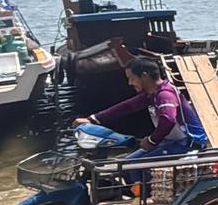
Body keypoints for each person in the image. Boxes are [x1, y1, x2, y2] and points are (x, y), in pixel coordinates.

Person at [75, 56, 209, 173]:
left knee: (132, 166)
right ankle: (138, 193)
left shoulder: (165, 94)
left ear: (144, 76)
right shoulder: (152, 94)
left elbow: (168, 120)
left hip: (188, 144)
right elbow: (127, 107)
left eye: (132, 79)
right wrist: (93, 119)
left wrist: (151, 140)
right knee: (126, 163)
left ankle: (145, 197)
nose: (129, 83)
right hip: (170, 142)